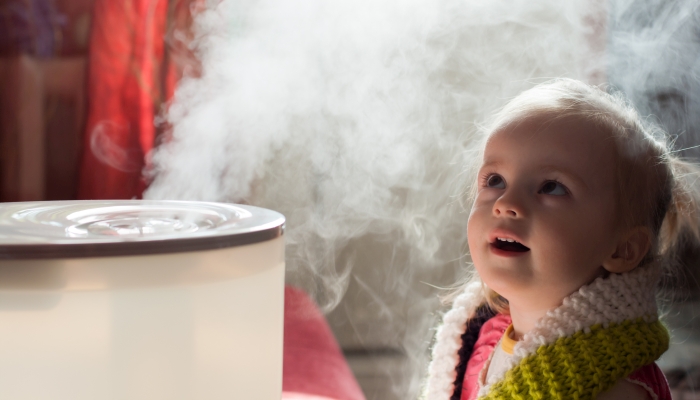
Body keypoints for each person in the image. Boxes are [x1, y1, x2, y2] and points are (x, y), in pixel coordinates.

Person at [424, 78, 700, 400]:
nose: (506, 204)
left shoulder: (610, 386)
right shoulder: (481, 338)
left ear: (623, 248)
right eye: (496, 180)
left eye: (551, 187)